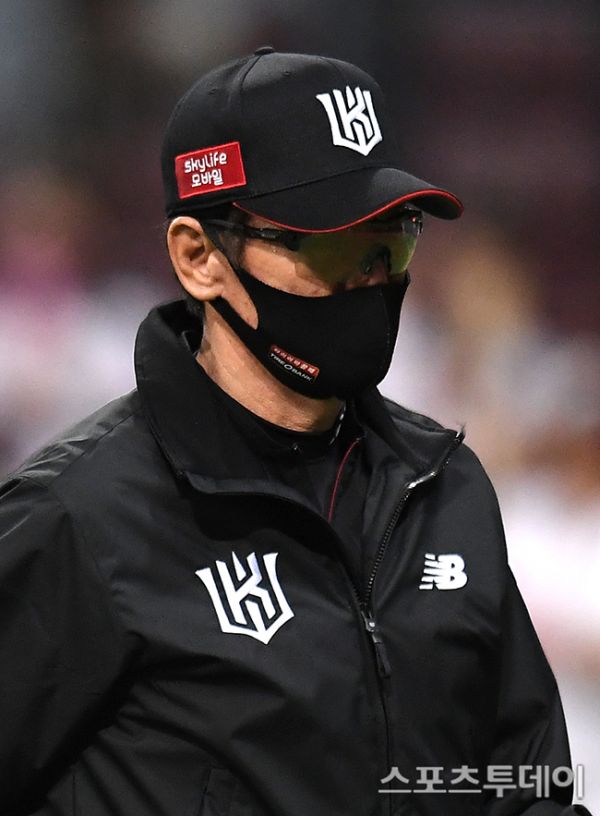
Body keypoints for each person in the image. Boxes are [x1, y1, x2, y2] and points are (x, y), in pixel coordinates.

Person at [0, 48, 592, 816]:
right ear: (199, 257)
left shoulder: (444, 488)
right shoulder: (80, 518)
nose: (372, 279)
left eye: (392, 242)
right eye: (333, 247)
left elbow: (525, 788)